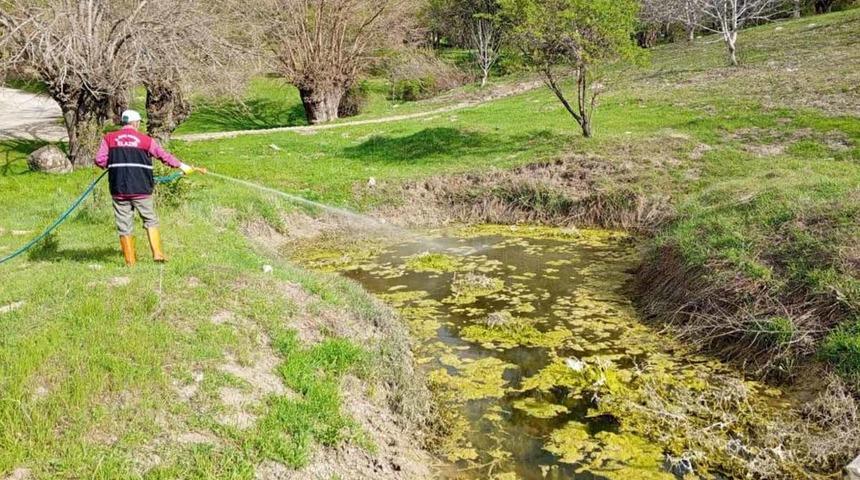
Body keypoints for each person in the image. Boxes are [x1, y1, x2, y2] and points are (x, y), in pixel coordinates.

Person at [95, 109, 205, 266]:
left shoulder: (109, 139)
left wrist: (115, 164)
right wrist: (182, 166)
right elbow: (163, 155)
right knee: (150, 219)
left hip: (119, 188)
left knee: (124, 224)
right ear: (135, 123)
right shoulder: (145, 140)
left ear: (123, 122)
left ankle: (130, 262)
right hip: (141, 188)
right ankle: (158, 254)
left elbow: (99, 160)